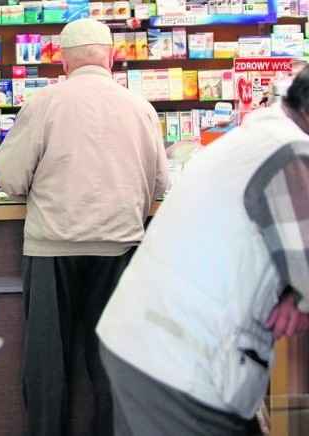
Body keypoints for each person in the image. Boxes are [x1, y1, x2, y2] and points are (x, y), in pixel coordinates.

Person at [97, 65, 309, 435]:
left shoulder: (262, 134)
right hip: (179, 364)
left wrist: (297, 294)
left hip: (150, 343)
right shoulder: (289, 152)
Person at [0, 18, 168, 436]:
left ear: (63, 61)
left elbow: (11, 178)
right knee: (113, 363)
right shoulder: (139, 107)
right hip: (120, 247)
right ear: (110, 57)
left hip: (53, 245)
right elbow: (160, 184)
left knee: (48, 365)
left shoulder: (44, 103)